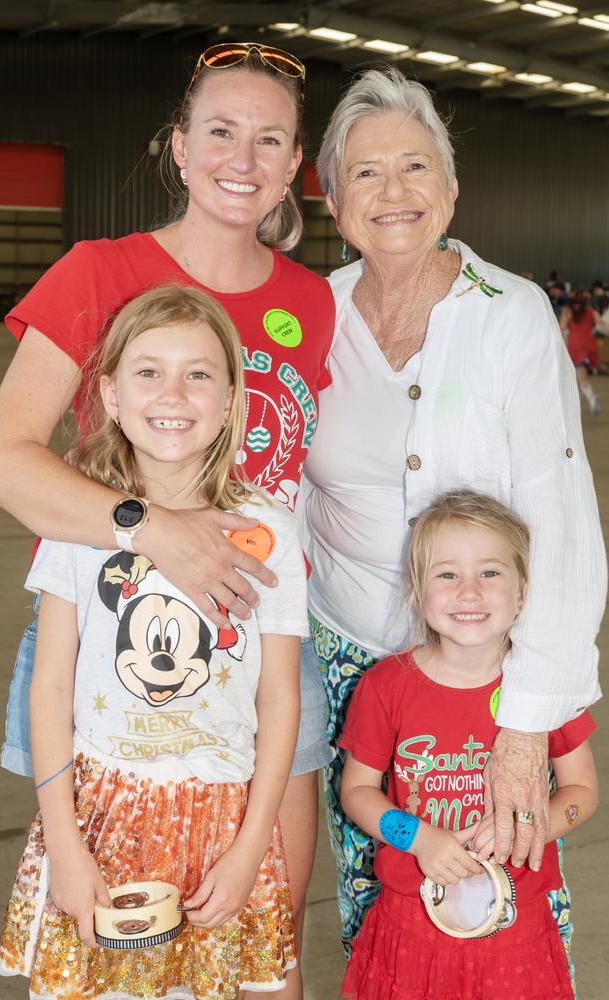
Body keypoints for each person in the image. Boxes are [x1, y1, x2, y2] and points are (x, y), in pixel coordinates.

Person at [0, 43, 334, 994]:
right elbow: (1, 462)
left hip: (265, 658)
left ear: (295, 166)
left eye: (269, 141)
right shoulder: (100, 270)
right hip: (115, 661)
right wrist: (154, 530)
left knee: (261, 931)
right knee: (114, 941)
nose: (241, 159)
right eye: (220, 132)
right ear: (178, 147)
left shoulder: (310, 300)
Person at [303, 66, 605, 960]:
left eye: (414, 166)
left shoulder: (510, 313)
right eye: (364, 172)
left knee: (497, 898)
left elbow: (559, 515)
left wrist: (526, 726)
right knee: (380, 900)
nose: (392, 193)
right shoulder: (310, 315)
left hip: (484, 674)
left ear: (451, 185)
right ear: (331, 197)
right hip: (351, 652)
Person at [0, 283, 308, 999]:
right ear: (109, 393)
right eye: (148, 371)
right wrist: (66, 845)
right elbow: (49, 687)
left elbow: (279, 696)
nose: (174, 393)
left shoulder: (269, 533)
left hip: (225, 824)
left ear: (230, 399)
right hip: (99, 817)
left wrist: (250, 847)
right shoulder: (75, 520)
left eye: (199, 374)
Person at [339, 490, 598, 1000]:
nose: (470, 592)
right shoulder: (386, 686)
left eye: (491, 573)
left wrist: (528, 828)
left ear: (523, 593)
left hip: (515, 930)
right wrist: (418, 839)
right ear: (416, 592)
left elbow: (582, 793)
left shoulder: (544, 687)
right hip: (410, 917)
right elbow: (358, 792)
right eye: (447, 574)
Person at [559, 291, 608, 416]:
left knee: (580, 376)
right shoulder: (591, 312)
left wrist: (564, 316)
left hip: (575, 348)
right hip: (589, 346)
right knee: (576, 377)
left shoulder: (568, 312)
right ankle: (576, 402)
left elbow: (561, 327)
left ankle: (591, 398)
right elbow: (602, 324)